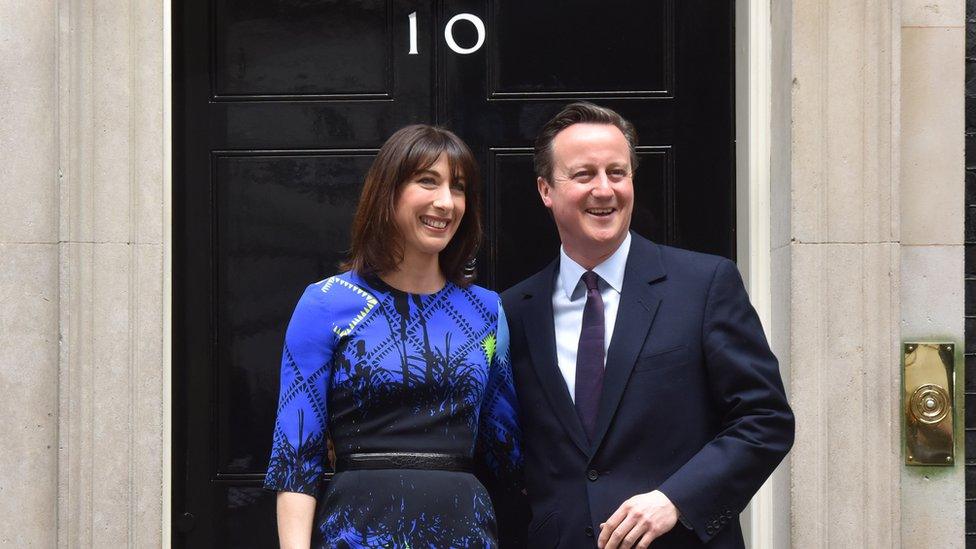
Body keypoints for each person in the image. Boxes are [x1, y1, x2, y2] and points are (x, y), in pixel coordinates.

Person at [501, 103, 795, 549]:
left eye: (617, 173)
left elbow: (765, 419)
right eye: (584, 175)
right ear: (546, 189)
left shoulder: (703, 285)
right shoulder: (515, 310)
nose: (605, 190)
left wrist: (674, 499)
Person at [264, 125, 521, 548]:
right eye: (427, 181)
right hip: (356, 531)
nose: (445, 202)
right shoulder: (326, 303)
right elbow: (296, 453)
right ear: (388, 192)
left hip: (463, 532)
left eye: (458, 188)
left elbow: (506, 450)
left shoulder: (487, 312)